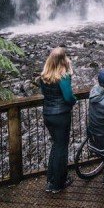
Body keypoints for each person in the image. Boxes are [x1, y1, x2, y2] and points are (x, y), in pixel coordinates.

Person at [40, 47, 77, 193]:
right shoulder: (63, 77)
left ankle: (51, 180)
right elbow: (68, 97)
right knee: (62, 148)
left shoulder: (44, 76)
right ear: (63, 60)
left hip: (48, 114)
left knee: (56, 146)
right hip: (61, 115)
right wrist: (74, 100)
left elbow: (46, 94)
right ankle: (58, 184)